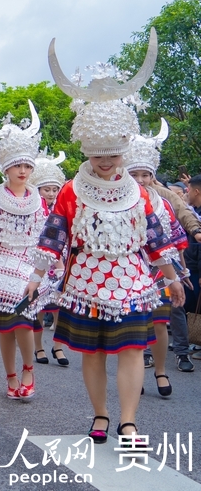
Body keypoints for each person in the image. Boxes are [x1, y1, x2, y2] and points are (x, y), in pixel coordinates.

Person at [27, 31, 184, 446]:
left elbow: (154, 236)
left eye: (114, 154)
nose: (107, 161)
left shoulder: (138, 192)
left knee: (133, 350)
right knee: (93, 354)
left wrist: (170, 277)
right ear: (87, 151)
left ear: (124, 151)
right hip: (84, 284)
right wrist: (36, 275)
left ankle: (129, 421)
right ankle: (100, 414)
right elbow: (54, 234)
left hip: (132, 281)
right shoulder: (70, 189)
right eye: (99, 154)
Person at [0, 101, 50, 400]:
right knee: (5, 327)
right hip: (0, 265)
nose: (24, 171)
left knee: (24, 323)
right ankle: (11, 374)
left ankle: (28, 368)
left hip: (28, 266)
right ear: (6, 168)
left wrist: (45, 268)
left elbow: (45, 236)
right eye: (18, 165)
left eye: (28, 166)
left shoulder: (38, 200)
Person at [124, 125, 191, 389]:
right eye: (135, 174)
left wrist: (181, 273)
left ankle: (161, 371)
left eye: (145, 174)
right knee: (136, 326)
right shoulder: (118, 202)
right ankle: (136, 373)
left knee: (161, 324)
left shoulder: (163, 203)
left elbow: (175, 240)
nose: (140, 179)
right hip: (128, 270)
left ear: (152, 176)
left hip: (161, 271)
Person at [28, 151, 71, 367]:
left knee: (59, 307)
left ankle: (58, 346)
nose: (52, 193)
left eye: (55, 189)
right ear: (37, 190)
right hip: (39, 262)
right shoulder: (32, 208)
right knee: (38, 307)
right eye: (47, 189)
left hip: (61, 262)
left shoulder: (63, 207)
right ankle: (39, 347)